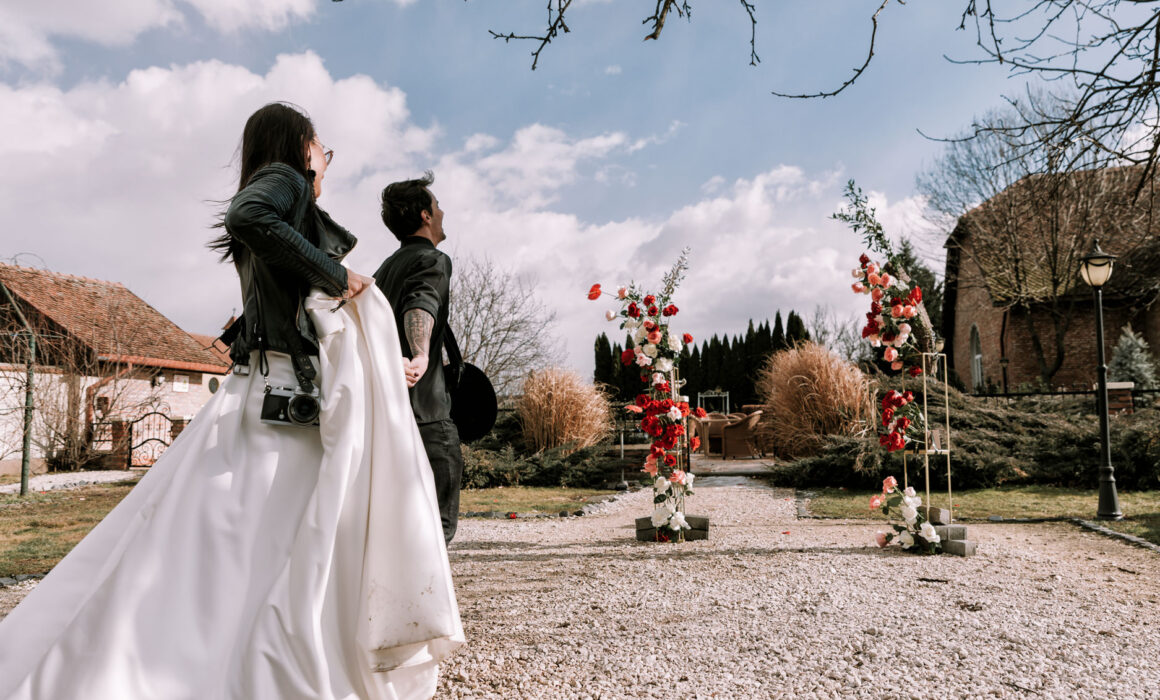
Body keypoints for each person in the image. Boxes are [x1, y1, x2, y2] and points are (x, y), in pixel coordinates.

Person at [0, 103, 462, 700]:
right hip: (284, 408)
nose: (325, 161)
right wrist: (333, 272)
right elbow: (249, 216)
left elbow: (280, 300)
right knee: (285, 545)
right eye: (323, 148)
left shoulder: (285, 207)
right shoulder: (286, 183)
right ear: (299, 148)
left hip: (260, 392)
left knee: (216, 545)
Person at [374, 173, 464, 545]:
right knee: (435, 528)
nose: (442, 211)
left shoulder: (383, 271)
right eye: (437, 204)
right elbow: (421, 301)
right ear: (426, 215)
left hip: (386, 415)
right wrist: (422, 353)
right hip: (426, 416)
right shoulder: (433, 260)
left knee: (397, 525)